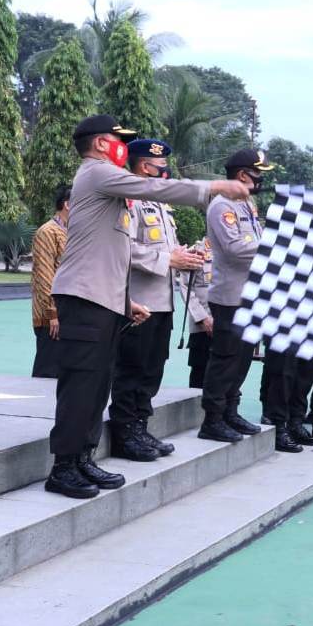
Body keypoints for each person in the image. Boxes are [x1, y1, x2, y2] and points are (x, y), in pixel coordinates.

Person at [44, 115, 249, 499]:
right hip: (83, 299)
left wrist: (125, 302)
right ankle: (63, 467)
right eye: (120, 140)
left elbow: (111, 255)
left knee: (98, 385)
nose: (124, 146)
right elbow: (157, 189)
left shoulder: (106, 182)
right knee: (81, 386)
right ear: (103, 144)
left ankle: (83, 458)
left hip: (103, 300)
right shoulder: (96, 173)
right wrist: (216, 187)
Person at [106, 139, 207, 461]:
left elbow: (169, 249)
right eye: (160, 164)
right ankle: (124, 433)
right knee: (131, 369)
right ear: (145, 166)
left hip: (163, 302)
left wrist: (188, 255)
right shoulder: (129, 199)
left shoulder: (160, 203)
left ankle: (140, 427)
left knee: (152, 370)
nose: (165, 169)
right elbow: (123, 247)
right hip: (138, 301)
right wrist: (168, 259)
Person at [200, 148, 282, 447]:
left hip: (250, 295)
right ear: (242, 175)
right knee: (225, 358)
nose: (260, 179)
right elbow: (235, 249)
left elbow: (254, 242)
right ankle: (212, 419)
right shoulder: (222, 207)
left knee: (244, 358)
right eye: (257, 173)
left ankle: (230, 411)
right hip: (229, 296)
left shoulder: (246, 205)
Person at [31, 185, 71, 379]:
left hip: (70, 313)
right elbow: (45, 276)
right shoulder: (47, 232)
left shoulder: (76, 232)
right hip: (51, 318)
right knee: (48, 371)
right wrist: (52, 313)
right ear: (68, 205)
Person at [182, 239, 214, 389]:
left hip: (229, 324)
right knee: (200, 376)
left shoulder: (234, 252)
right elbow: (184, 286)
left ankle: (228, 411)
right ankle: (198, 412)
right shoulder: (197, 251)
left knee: (230, 373)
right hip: (204, 327)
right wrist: (202, 318)